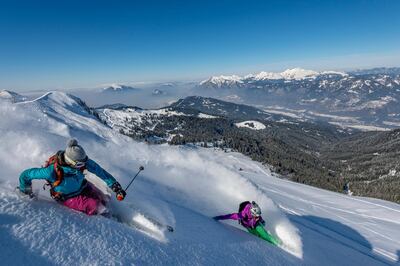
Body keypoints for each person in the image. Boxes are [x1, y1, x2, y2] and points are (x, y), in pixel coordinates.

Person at [18, 139, 126, 216]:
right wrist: (26, 190)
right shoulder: (51, 172)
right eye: (80, 164)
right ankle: (109, 222)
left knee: (105, 198)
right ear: (71, 162)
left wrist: (115, 186)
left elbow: (100, 171)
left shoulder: (82, 162)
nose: (84, 165)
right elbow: (26, 175)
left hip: (83, 186)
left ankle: (112, 213)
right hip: (68, 197)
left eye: (84, 162)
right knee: (97, 207)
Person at [213, 201, 280, 246]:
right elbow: (229, 216)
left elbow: (258, 216)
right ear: (252, 213)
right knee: (256, 235)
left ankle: (277, 243)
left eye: (258, 215)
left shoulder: (256, 212)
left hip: (255, 224)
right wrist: (218, 218)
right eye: (256, 215)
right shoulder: (242, 215)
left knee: (264, 234)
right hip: (248, 225)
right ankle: (266, 243)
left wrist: (262, 221)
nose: (258, 216)